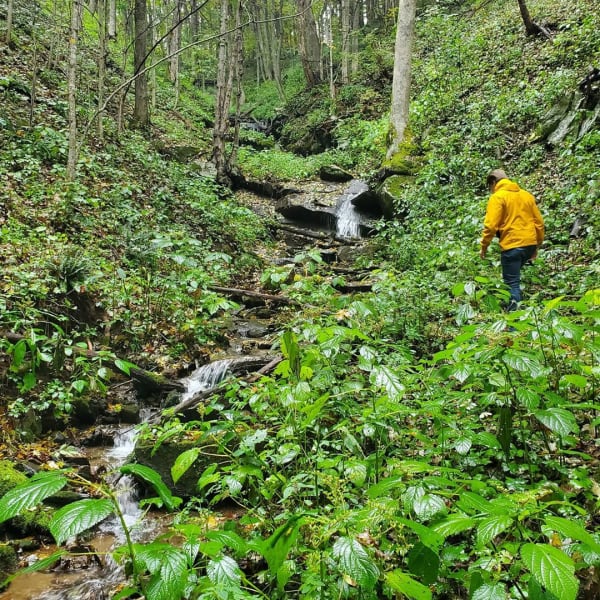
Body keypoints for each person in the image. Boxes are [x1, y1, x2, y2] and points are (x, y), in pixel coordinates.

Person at [480, 169, 544, 311]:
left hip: (512, 246)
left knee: (512, 284)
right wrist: (536, 247)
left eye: (490, 187)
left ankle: (514, 325)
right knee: (514, 278)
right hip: (529, 244)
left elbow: (490, 226)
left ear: (493, 183)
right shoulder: (526, 195)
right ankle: (514, 307)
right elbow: (539, 223)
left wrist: (484, 246)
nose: (490, 190)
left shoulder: (498, 197)